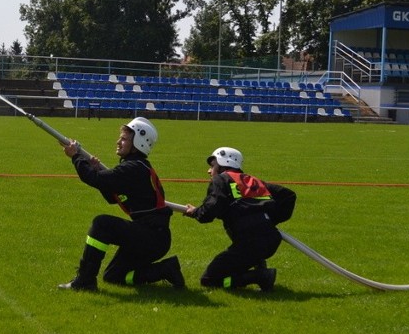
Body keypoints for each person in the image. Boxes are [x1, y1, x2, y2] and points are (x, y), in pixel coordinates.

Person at [58, 117, 185, 292]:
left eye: (124, 139)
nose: (118, 142)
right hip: (150, 235)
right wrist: (96, 170)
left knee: (101, 224)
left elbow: (93, 179)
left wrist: (76, 157)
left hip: (152, 236)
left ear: (138, 143)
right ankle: (165, 269)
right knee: (113, 277)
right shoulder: (136, 167)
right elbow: (112, 197)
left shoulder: (133, 168)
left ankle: (85, 280)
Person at [183, 147, 296, 292]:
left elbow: (210, 210)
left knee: (210, 280)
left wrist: (195, 212)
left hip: (250, 243)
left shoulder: (221, 179)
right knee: (239, 259)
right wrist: (269, 220)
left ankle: (258, 276)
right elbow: (288, 196)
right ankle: (258, 264)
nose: (209, 171)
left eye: (212, 166)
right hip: (270, 239)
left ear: (223, 164)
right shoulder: (253, 181)